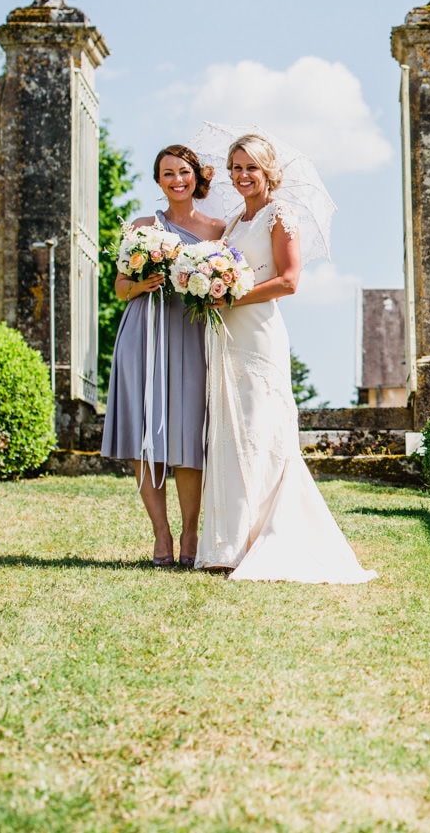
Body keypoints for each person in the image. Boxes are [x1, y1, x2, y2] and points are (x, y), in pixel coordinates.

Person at [197, 132, 375, 583]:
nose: (241, 175)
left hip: (257, 334)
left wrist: (232, 298)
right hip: (225, 335)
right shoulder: (235, 221)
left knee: (259, 430)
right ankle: (228, 544)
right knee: (229, 431)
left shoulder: (281, 215)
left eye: (250, 167)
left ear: (268, 171)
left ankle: (263, 539)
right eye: (235, 167)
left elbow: (290, 281)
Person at [100, 145, 225, 568]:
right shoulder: (140, 227)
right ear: (158, 180)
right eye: (168, 173)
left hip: (189, 335)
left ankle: (191, 532)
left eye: (184, 172)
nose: (177, 180)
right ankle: (161, 535)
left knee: (188, 435)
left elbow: (224, 287)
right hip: (143, 332)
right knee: (144, 435)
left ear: (196, 177)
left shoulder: (216, 229)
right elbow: (119, 288)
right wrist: (142, 283)